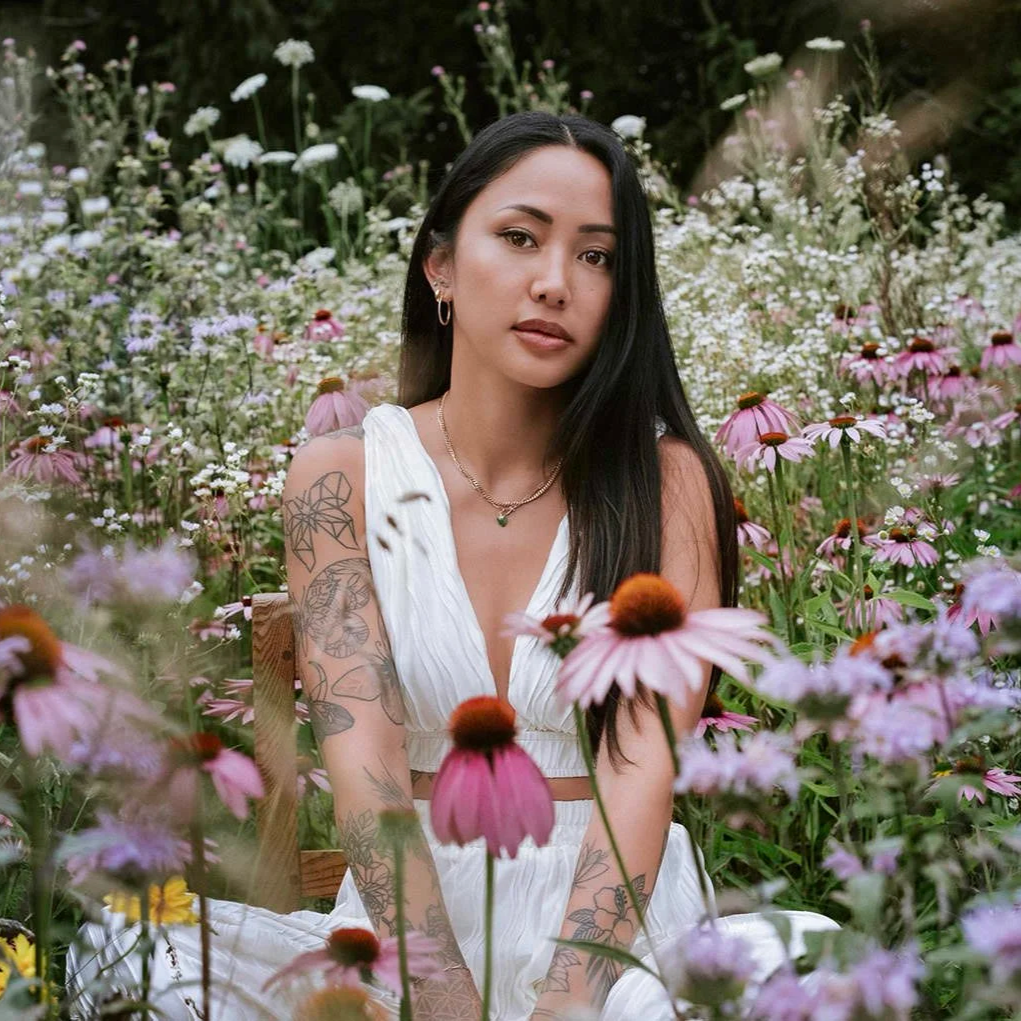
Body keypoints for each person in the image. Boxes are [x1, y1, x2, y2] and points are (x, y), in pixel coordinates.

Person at [68, 110, 836, 1021]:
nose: (554, 282)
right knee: (146, 968)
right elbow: (366, 767)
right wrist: (439, 1002)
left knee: (794, 982)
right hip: (404, 935)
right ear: (440, 265)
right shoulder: (342, 476)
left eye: (596, 256)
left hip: (618, 946)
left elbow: (640, 765)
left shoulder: (664, 482)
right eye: (519, 237)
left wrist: (565, 1005)